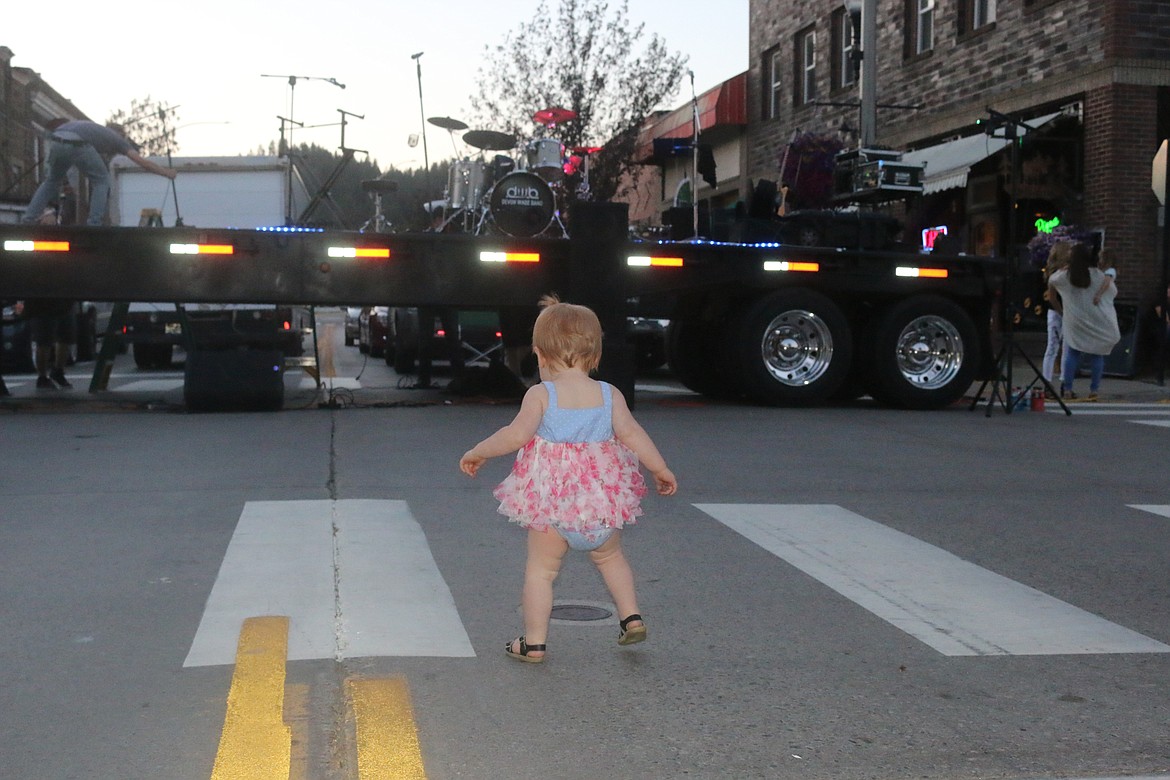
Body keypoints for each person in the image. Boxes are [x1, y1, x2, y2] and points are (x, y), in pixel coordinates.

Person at [459, 295, 677, 664]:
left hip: (553, 508)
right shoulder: (610, 395)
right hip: (602, 505)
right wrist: (660, 468)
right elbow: (634, 435)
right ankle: (631, 616)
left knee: (541, 572)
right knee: (611, 559)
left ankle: (534, 643)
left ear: (540, 355)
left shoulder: (541, 395)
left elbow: (514, 436)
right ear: (595, 356)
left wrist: (477, 451)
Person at [22, 118, 176, 227]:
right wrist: (166, 172)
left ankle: (29, 218)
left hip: (56, 140)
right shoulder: (118, 140)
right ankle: (94, 223)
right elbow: (142, 162)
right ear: (122, 135)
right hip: (77, 144)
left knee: (51, 181)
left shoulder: (94, 129)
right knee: (102, 181)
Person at [1047, 242, 1121, 401]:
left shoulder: (1064, 276)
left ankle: (1067, 389)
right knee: (1097, 355)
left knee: (1073, 353)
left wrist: (1062, 311)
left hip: (1075, 321)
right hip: (1097, 320)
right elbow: (1112, 292)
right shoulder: (1098, 275)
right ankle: (1094, 390)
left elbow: (1051, 284)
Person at [1041, 241, 1072, 390]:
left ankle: (1057, 381)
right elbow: (1053, 297)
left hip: (1058, 311)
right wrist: (1063, 312)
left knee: (1058, 346)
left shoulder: (1059, 271)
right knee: (1056, 346)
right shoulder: (1055, 274)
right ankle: (1054, 382)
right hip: (1058, 311)